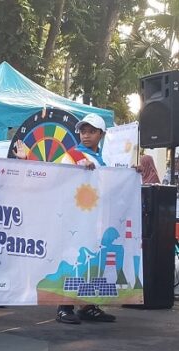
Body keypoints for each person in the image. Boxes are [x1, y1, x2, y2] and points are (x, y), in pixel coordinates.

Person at [54, 113, 117, 324]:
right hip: (75, 218)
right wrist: (78, 171)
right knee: (74, 259)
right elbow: (58, 180)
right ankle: (64, 307)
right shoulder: (71, 155)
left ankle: (88, 305)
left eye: (91, 131)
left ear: (101, 134)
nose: (86, 135)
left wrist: (131, 173)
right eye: (83, 131)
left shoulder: (101, 159)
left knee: (92, 261)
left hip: (95, 219)